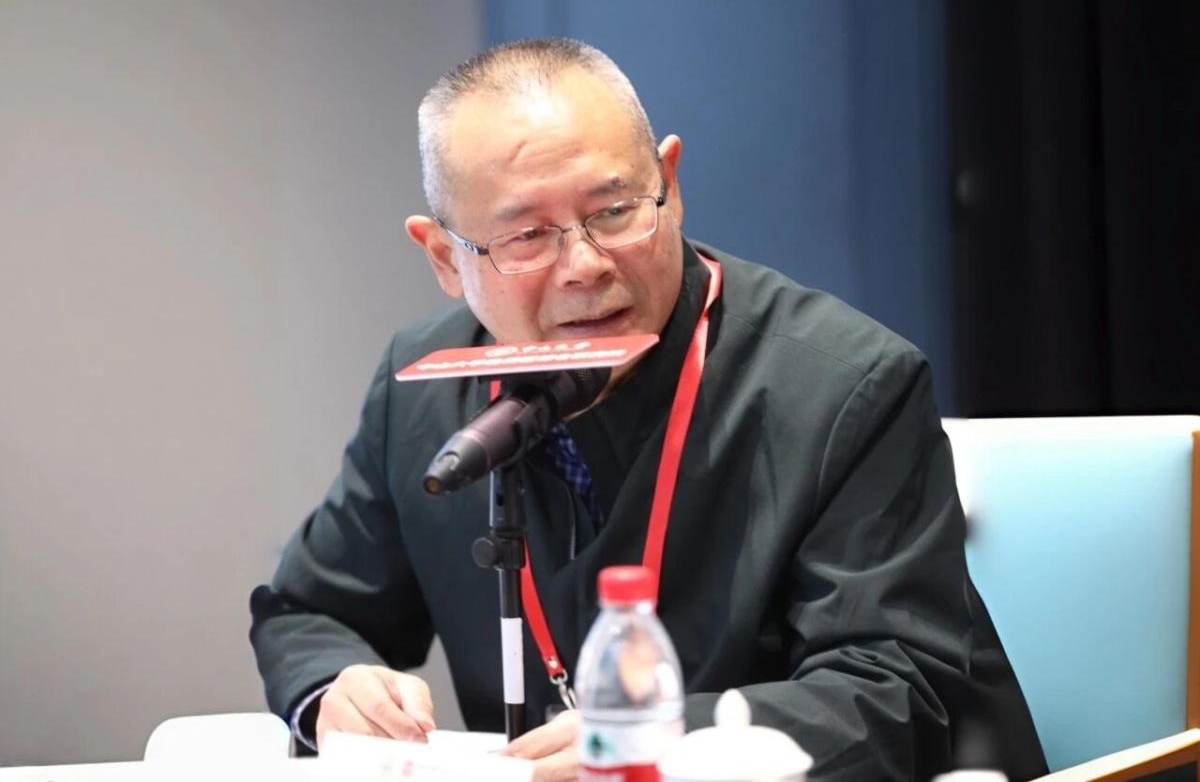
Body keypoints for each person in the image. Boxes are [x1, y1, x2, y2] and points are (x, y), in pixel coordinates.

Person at [250, 38, 1047, 781]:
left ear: (671, 184)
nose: (585, 265)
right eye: (528, 236)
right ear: (444, 257)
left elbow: (898, 689)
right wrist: (336, 688)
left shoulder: (845, 384)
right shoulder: (425, 389)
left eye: (614, 211)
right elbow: (308, 611)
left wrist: (671, 740)